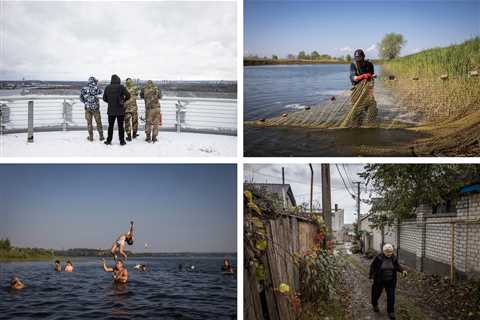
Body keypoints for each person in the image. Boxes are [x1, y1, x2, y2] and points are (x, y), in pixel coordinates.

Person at [369, 243, 407, 320]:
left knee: (391, 296)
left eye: (391, 251)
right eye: (387, 252)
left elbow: (397, 266)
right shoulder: (378, 257)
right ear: (384, 251)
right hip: (379, 280)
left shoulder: (393, 257)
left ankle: (391, 312)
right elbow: (372, 266)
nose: (389, 253)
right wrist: (371, 275)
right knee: (376, 294)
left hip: (390, 280)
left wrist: (403, 270)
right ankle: (375, 304)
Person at [346, 48, 378, 127]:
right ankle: (355, 125)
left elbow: (371, 78)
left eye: (360, 59)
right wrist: (363, 76)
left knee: (372, 107)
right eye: (357, 59)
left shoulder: (369, 64)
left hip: (367, 89)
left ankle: (371, 123)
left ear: (363, 57)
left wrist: (372, 76)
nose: (358, 61)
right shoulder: (353, 64)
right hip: (356, 90)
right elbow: (353, 78)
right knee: (356, 110)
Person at [102, 74, 131, 145]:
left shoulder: (107, 87)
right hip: (120, 110)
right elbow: (128, 95)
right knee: (121, 126)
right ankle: (122, 141)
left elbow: (104, 98)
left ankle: (108, 140)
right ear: (118, 80)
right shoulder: (121, 87)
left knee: (110, 126)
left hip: (111, 110)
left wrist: (110, 102)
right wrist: (123, 100)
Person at [80, 76, 104, 141]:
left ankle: (91, 137)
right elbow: (102, 93)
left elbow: (81, 98)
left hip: (87, 109)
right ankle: (101, 136)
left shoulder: (84, 89)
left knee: (89, 123)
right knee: (98, 122)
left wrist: (86, 102)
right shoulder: (96, 88)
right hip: (96, 108)